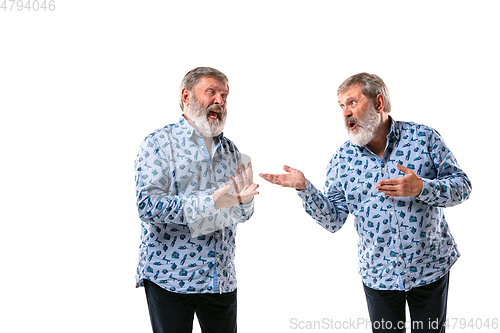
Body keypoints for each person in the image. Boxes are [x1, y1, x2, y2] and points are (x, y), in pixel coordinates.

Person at [260, 73, 471, 332]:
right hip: (378, 275)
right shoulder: (342, 160)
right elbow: (333, 220)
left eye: (352, 103)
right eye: (341, 106)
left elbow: (462, 187)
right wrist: (304, 188)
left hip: (429, 267)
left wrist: (421, 188)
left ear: (378, 103)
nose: (345, 113)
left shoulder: (423, 138)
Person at [134, 67, 259, 333]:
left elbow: (243, 213)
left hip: (220, 278)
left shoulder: (232, 150)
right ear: (186, 96)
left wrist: (244, 203)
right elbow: (148, 207)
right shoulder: (158, 143)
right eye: (211, 92)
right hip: (170, 278)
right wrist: (211, 202)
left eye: (224, 95)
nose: (220, 101)